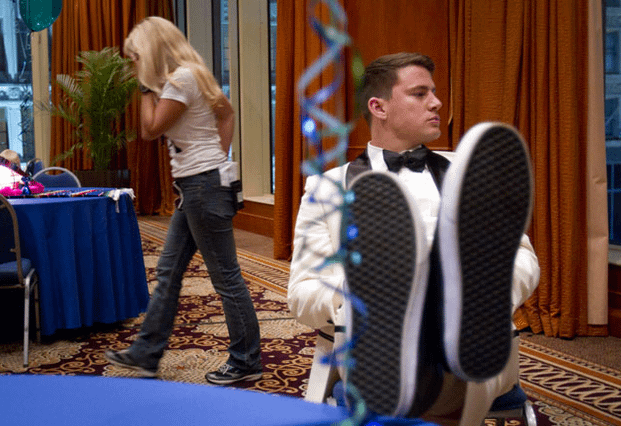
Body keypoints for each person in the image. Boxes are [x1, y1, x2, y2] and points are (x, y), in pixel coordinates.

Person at [287, 52, 540, 425]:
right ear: (379, 107)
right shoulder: (326, 189)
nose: (437, 103)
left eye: (434, 93)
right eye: (420, 94)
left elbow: (522, 258)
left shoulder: (472, 176)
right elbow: (302, 293)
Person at [105, 16, 262, 385]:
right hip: (199, 186)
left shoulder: (181, 80)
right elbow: (227, 114)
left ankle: (246, 361)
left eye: (135, 57)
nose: (133, 64)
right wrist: (216, 159)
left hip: (202, 187)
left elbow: (150, 129)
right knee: (168, 272)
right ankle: (146, 353)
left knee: (226, 278)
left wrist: (145, 88)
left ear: (150, 52)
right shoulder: (194, 75)